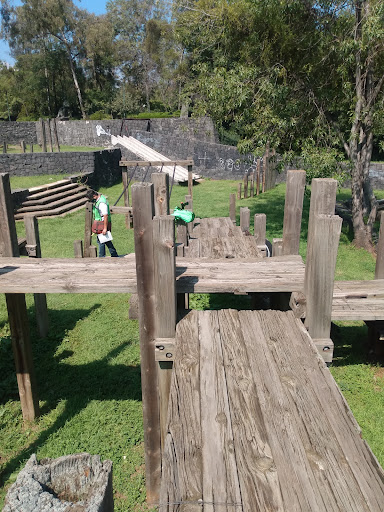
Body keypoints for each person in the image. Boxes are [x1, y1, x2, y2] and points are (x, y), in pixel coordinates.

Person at [86, 189, 118, 258]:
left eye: (91, 198)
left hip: (102, 223)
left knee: (101, 241)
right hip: (102, 222)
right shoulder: (101, 198)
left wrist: (105, 228)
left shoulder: (101, 203)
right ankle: (114, 255)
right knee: (106, 240)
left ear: (94, 196)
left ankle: (102, 257)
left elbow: (105, 216)